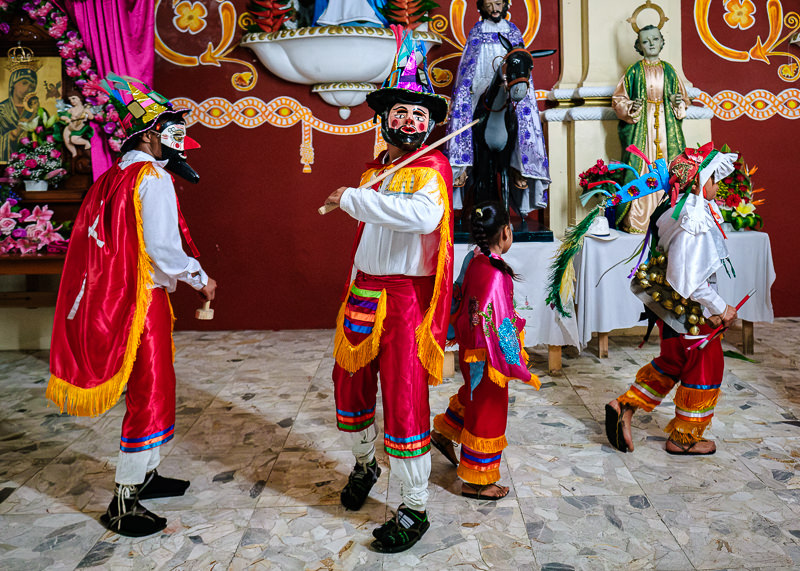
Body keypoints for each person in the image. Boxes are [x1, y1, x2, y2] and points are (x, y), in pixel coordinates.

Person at [47, 74, 216, 537]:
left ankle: (148, 474)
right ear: (148, 134)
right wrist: (200, 277)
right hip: (142, 300)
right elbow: (162, 248)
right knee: (150, 389)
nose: (180, 143)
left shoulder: (113, 176)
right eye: (174, 131)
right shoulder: (152, 177)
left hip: (118, 296)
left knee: (154, 386)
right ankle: (124, 498)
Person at [322, 33, 452, 553]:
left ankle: (415, 505)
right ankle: (364, 464)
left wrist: (356, 199)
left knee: (403, 399)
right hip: (362, 294)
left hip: (404, 303)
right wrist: (363, 193)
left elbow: (423, 217)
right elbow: (369, 235)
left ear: (430, 123)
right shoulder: (377, 171)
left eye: (418, 115)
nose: (408, 122)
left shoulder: (433, 171)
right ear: (384, 119)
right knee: (349, 388)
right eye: (399, 112)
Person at [605, 142, 738, 456]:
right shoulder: (693, 222)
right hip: (692, 313)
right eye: (712, 179)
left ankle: (624, 405)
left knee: (672, 363)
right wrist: (721, 307)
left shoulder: (675, 211)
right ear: (698, 182)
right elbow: (689, 281)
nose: (717, 186)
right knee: (705, 367)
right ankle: (684, 438)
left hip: (670, 310)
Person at [430, 202, 539, 499]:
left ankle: (443, 432)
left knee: (474, 396)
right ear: (504, 232)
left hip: (471, 347)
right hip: (487, 353)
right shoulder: (495, 273)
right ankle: (477, 481)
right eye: (511, 229)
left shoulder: (475, 260)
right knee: (489, 409)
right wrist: (512, 360)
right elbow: (500, 324)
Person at [446, 0, 550, 217]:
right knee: (465, 115)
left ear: (506, 5)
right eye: (489, 4)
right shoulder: (477, 31)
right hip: (480, 84)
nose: (494, 9)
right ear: (481, 7)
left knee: (525, 118)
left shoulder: (512, 31)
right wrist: (473, 86)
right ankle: (462, 168)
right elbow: (469, 64)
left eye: (498, 3)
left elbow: (519, 60)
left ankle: (520, 168)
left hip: (509, 82)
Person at [612, 24, 689, 233]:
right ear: (639, 46)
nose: (651, 44)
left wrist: (676, 101)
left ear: (662, 42)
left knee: (668, 164)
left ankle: (669, 216)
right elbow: (619, 99)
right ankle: (639, 218)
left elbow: (684, 101)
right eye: (646, 41)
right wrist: (631, 107)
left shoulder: (670, 70)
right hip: (643, 129)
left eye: (655, 39)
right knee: (643, 167)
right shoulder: (633, 71)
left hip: (666, 126)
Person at [0, 47, 41, 163]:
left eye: (32, 85)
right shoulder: (1, 110)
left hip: (32, 165)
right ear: (13, 84)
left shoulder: (38, 110)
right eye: (24, 83)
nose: (29, 88)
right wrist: (13, 134)